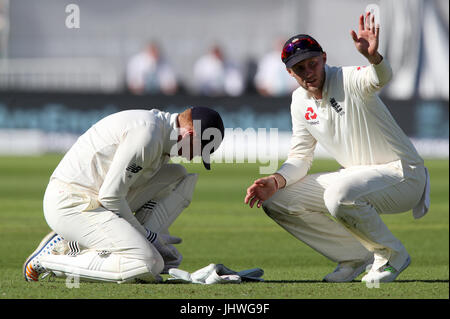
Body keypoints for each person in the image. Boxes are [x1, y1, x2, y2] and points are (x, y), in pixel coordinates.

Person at [244, 12, 430, 283]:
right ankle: (355, 257)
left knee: (338, 195)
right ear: (289, 72)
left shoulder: (348, 79)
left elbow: (380, 78)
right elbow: (299, 156)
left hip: (404, 174)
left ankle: (392, 254)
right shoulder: (299, 101)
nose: (308, 73)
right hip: (357, 176)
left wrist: (373, 58)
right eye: (300, 69)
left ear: (324, 59)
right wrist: (276, 180)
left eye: (313, 64)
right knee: (276, 200)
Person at [23, 106, 224, 283]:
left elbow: (114, 194)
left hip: (93, 200)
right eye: (199, 150)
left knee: (180, 176)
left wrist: (152, 239)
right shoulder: (148, 136)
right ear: (188, 135)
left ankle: (117, 246)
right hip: (70, 204)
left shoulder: (161, 134)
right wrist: (149, 238)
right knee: (149, 263)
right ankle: (49, 260)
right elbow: (110, 197)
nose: (194, 156)